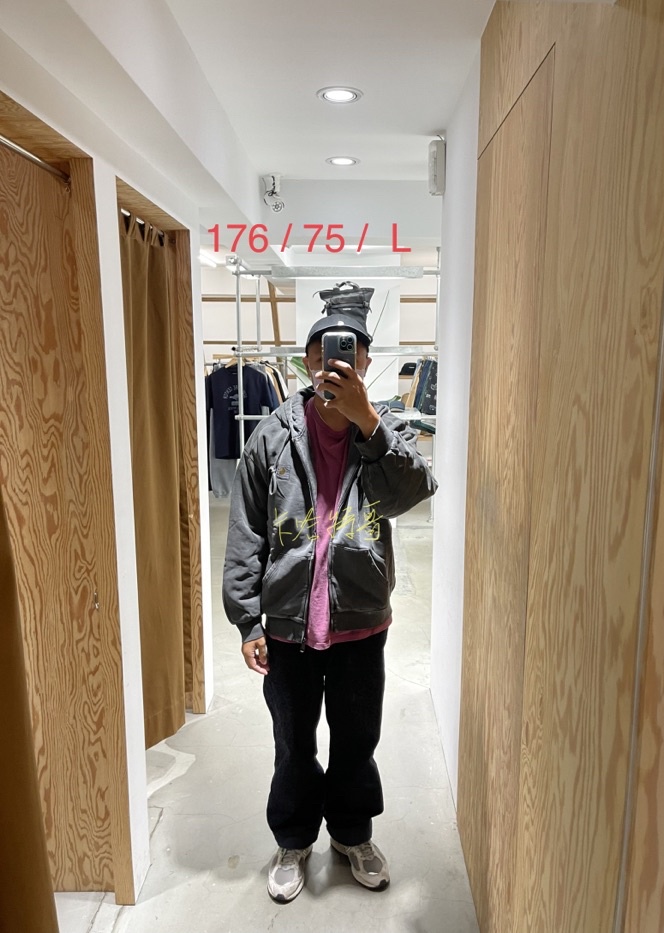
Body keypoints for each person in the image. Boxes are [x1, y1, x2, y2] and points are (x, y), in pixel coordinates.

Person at [222, 282, 437, 904]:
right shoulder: (272, 435)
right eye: (322, 351)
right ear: (307, 360)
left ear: (365, 361)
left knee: (356, 741)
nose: (333, 362)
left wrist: (370, 421)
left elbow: (413, 491)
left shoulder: (386, 429)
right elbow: (247, 531)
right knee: (293, 744)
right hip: (288, 625)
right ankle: (293, 840)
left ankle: (351, 834)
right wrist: (247, 620)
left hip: (360, 622)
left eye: (348, 352)